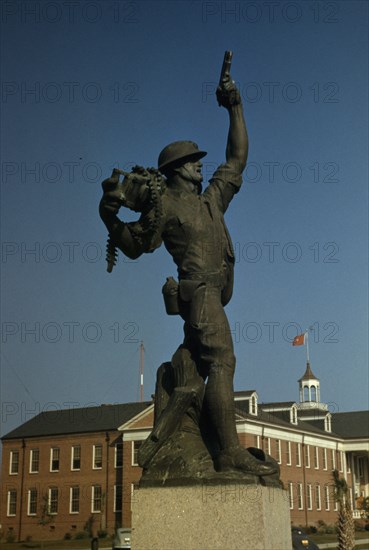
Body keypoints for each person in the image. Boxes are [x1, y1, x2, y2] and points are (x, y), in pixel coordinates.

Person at [99, 76, 275, 476]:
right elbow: (134, 244)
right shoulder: (168, 210)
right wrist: (108, 217)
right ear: (177, 170)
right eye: (194, 160)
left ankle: (182, 439)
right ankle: (229, 452)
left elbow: (236, 158)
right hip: (200, 297)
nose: (201, 164)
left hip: (215, 293)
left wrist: (235, 106)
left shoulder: (210, 200)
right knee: (223, 360)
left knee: (190, 372)